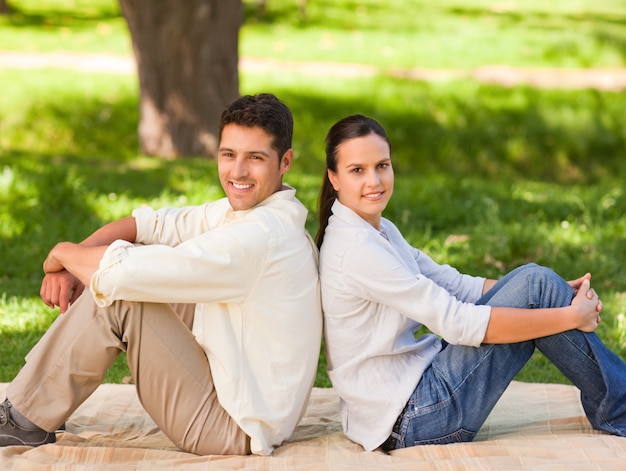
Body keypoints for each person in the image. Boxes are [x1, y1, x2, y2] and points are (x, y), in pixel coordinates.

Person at [0, 93, 322, 456]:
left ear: (285, 162)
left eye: (255, 158)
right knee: (125, 266)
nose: (238, 171)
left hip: (233, 426)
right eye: (228, 154)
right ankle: (43, 399)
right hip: (237, 387)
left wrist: (62, 253)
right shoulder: (260, 212)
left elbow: (123, 274)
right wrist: (75, 263)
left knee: (122, 293)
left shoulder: (261, 236)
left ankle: (24, 419)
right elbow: (152, 225)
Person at [315, 114, 626, 453]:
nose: (374, 180)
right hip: (415, 419)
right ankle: (621, 409)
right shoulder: (358, 248)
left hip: (406, 398)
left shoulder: (377, 229)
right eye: (357, 170)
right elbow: (459, 323)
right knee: (536, 285)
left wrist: (554, 292)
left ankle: (620, 405)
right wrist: (568, 316)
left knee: (537, 282)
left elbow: (454, 284)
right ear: (334, 178)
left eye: (382, 165)